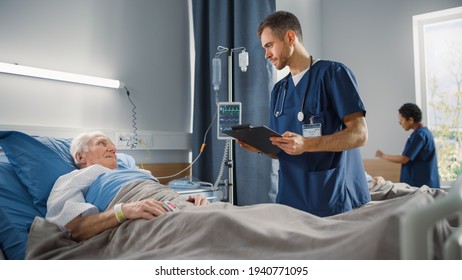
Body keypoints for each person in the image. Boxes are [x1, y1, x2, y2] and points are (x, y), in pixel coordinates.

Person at [237, 11, 371, 217]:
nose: (266, 54)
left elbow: (359, 135)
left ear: (290, 37)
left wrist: (307, 144)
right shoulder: (279, 90)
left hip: (330, 196)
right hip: (290, 198)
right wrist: (259, 147)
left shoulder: (333, 73)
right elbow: (283, 148)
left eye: (269, 45)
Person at [45, 131, 209, 241]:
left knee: (219, 214)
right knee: (207, 230)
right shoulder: (73, 179)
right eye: (102, 143)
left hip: (168, 201)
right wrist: (122, 211)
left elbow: (159, 195)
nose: (113, 148)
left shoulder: (136, 171)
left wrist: (186, 199)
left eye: (113, 145)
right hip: (134, 207)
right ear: (81, 156)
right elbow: (74, 229)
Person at [376, 103, 440, 188]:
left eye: (401, 120)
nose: (400, 123)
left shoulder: (419, 135)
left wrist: (382, 156)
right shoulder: (423, 133)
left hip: (420, 186)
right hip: (422, 184)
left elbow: (404, 159)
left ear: (410, 120)